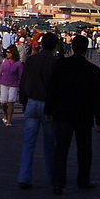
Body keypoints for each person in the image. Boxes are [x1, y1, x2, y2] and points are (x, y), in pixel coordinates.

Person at [45, 35, 100, 194]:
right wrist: (99, 119)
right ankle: (83, 180)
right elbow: (96, 96)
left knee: (61, 149)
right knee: (84, 150)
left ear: (72, 47)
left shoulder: (61, 65)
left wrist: (48, 111)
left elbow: (52, 89)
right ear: (85, 49)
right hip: (84, 114)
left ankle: (58, 182)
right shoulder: (93, 70)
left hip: (63, 113)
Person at [17, 32, 58, 190]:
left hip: (32, 102)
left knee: (28, 143)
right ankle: (52, 176)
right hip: (48, 105)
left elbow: (24, 81)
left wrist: (23, 101)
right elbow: (56, 88)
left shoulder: (32, 60)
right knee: (50, 144)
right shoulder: (54, 62)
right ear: (54, 46)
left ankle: (24, 176)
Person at [0, 44, 23, 127]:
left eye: (8, 52)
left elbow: (22, 75)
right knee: (3, 103)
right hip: (4, 83)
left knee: (11, 102)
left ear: (13, 53)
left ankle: (9, 120)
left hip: (13, 84)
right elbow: (0, 72)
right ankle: (6, 114)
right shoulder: (5, 62)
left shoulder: (18, 64)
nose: (7, 54)